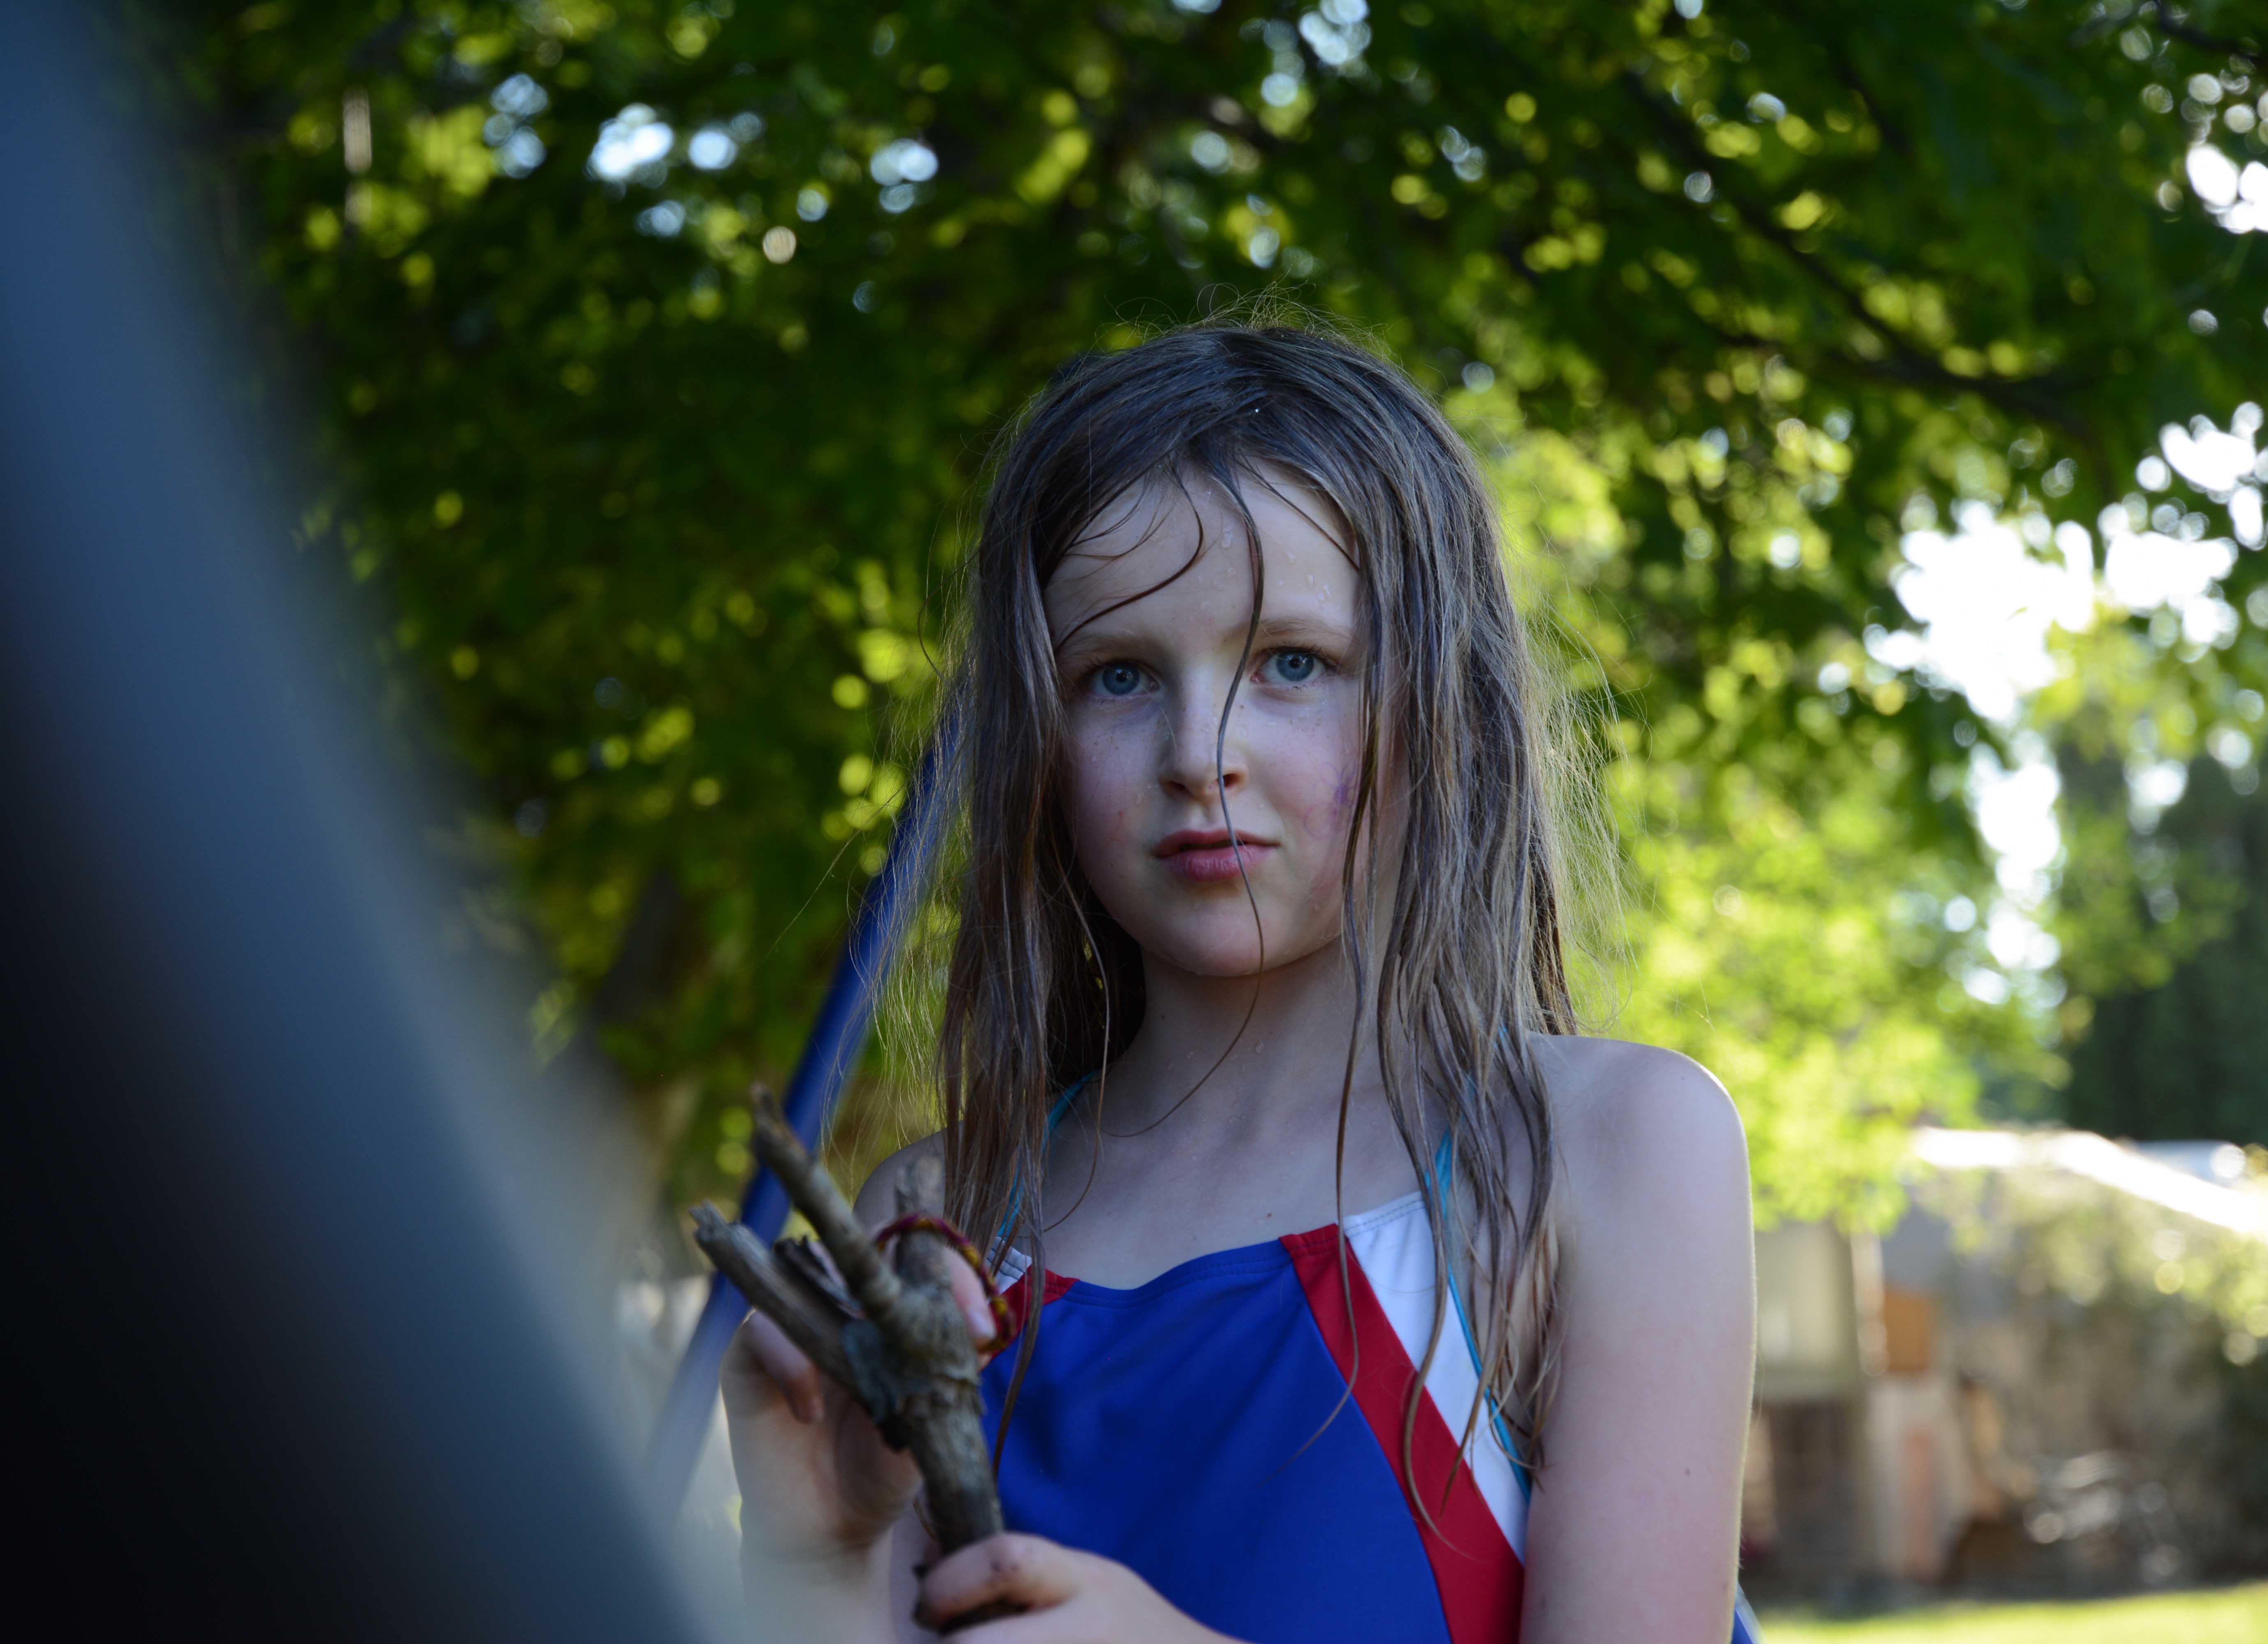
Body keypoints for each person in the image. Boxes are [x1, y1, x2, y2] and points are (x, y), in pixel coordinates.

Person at [721, 323, 1758, 1643]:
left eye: (1292, 665)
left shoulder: (1599, 1151)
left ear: (1446, 707)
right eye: (1117, 676)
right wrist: (815, 1554)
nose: (1197, 752)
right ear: (1037, 739)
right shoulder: (943, 1220)